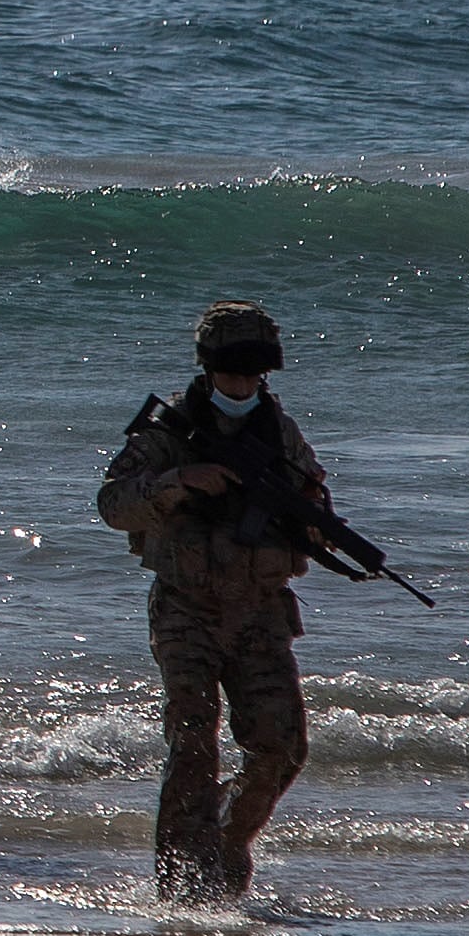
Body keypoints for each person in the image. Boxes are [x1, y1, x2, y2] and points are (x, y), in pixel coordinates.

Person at [93, 300, 330, 902]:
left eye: (255, 373)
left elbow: (315, 499)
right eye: (232, 371)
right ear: (208, 366)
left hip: (260, 611)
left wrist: (311, 524)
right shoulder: (169, 430)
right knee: (194, 743)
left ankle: (226, 843)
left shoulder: (279, 431)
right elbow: (113, 505)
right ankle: (179, 888)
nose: (243, 384)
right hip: (187, 607)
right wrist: (179, 482)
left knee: (282, 747)